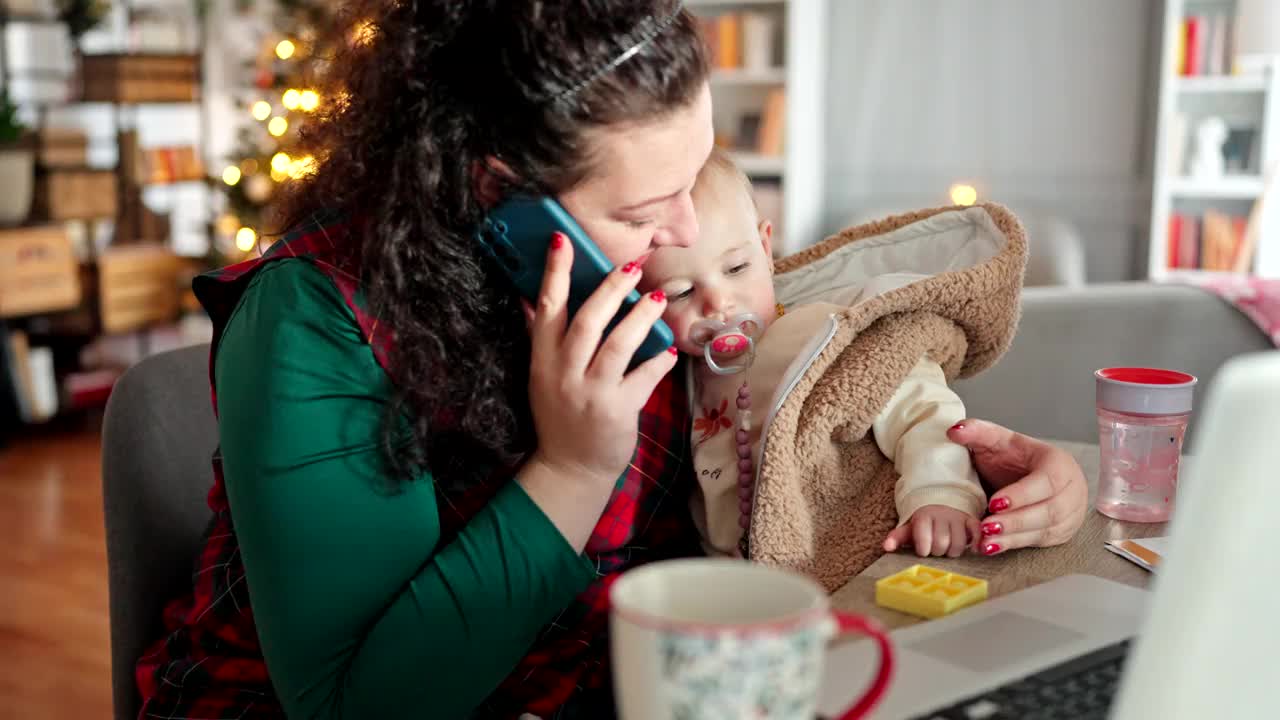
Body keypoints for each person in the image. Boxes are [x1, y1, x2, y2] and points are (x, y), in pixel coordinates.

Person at [132, 2, 1091, 718]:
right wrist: (574, 467)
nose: (687, 233)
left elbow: (815, 412)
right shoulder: (314, 317)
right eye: (644, 212)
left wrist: (994, 472)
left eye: (699, 174)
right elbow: (357, 705)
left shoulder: (666, 280)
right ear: (500, 193)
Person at [639, 148, 987, 561]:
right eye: (681, 292)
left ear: (766, 251)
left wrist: (940, 494)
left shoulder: (825, 335)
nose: (719, 303)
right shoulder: (678, 379)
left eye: (736, 269)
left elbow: (924, 410)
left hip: (832, 555)